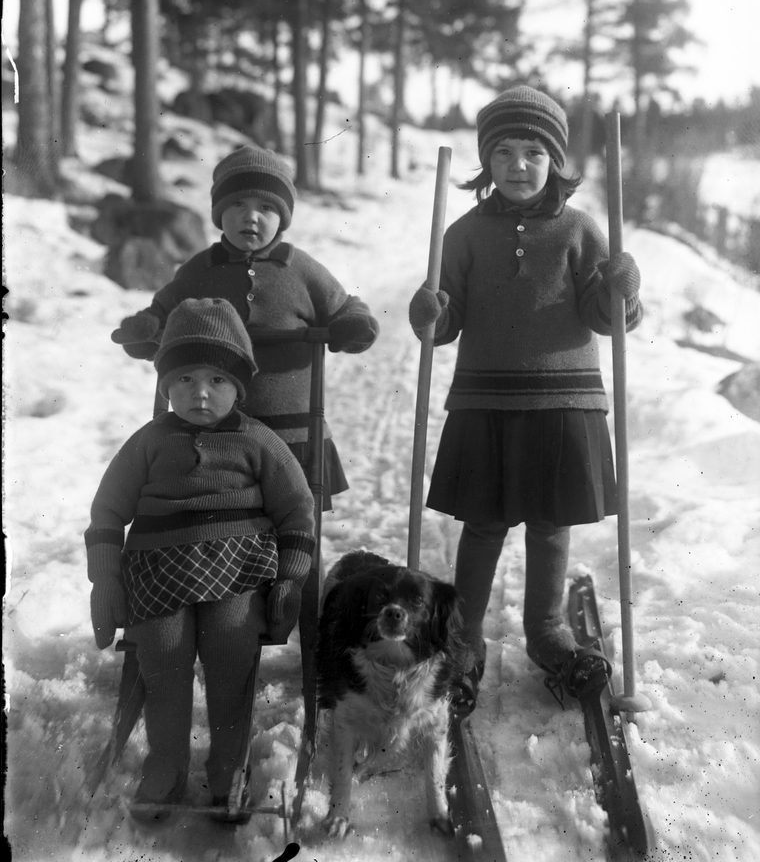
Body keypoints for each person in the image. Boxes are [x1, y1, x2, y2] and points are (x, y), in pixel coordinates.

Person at [408, 86, 643, 711]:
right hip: (485, 399)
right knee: (483, 522)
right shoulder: (463, 234)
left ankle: (546, 632)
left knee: (549, 523)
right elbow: (444, 323)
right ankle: (463, 638)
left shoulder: (579, 229)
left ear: (555, 161)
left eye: (534, 152)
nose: (518, 165)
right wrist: (428, 312)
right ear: (487, 161)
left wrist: (623, 288)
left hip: (564, 400)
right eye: (504, 152)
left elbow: (607, 319)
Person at [85, 298, 316, 822]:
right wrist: (105, 580)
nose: (201, 393)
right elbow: (107, 510)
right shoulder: (149, 441)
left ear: (239, 387)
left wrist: (289, 579)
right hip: (157, 573)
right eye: (184, 380)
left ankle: (228, 767)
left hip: (238, 570)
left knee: (231, 650)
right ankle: (166, 764)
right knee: (163, 655)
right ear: (166, 387)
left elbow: (297, 512)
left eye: (217, 379)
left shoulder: (257, 440)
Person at [110, 146, 379, 507]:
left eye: (266, 207)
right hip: (213, 430)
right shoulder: (199, 270)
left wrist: (353, 325)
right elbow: (161, 313)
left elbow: (344, 307)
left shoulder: (301, 269)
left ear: (282, 217)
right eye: (237, 204)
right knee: (222, 515)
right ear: (219, 213)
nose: (250, 216)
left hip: (292, 430)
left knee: (294, 513)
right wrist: (147, 329)